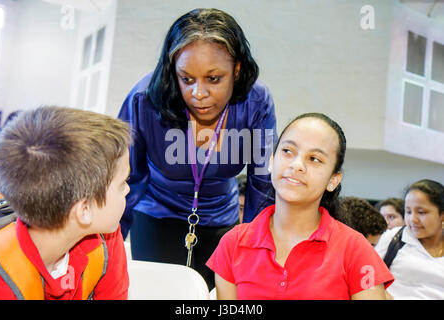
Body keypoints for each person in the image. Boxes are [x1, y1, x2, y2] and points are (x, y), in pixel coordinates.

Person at [118, 8, 276, 289]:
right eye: (186, 79)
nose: (198, 94)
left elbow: (262, 183)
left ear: (236, 70)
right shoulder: (144, 99)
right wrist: (109, 247)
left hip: (221, 222)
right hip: (157, 215)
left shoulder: (257, 102)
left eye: (213, 79)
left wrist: (254, 247)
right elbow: (126, 177)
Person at [207, 113, 394, 299]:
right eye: (288, 151)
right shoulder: (233, 243)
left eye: (314, 159)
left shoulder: (355, 249)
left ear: (333, 180)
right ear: (271, 161)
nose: (297, 165)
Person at [0, 106, 130, 300]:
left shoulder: (104, 237)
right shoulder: (0, 278)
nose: (128, 189)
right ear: (84, 209)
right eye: (122, 183)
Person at [375, 179, 444, 299]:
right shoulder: (394, 238)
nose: (413, 219)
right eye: (408, 211)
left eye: (421, 212)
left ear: (442, 215)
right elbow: (368, 278)